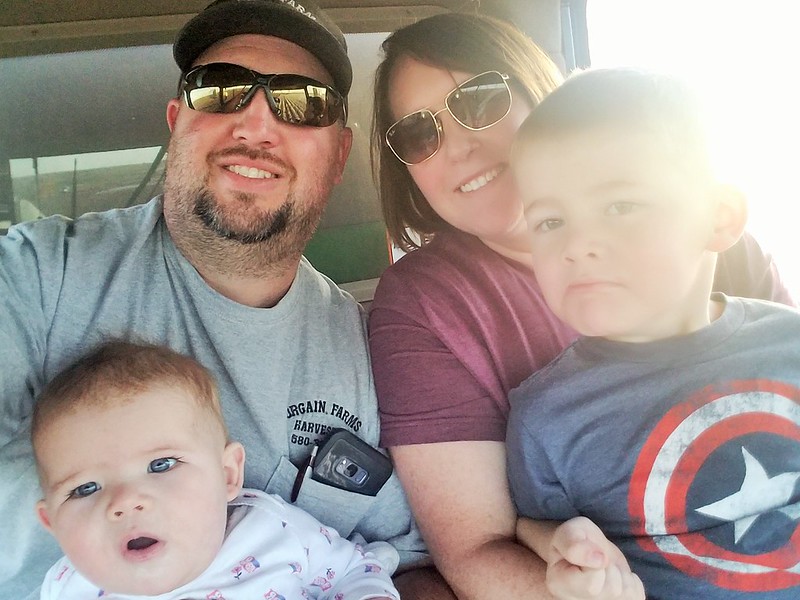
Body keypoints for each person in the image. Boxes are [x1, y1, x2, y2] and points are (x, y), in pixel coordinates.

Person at [0, 1, 428, 598]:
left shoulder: (381, 350)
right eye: (220, 90)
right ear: (176, 120)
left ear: (339, 155)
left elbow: (416, 566)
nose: (255, 126)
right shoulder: (37, 277)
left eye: (303, 102)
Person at [367, 12, 795, 600]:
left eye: (480, 100)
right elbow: (482, 547)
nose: (459, 145)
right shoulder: (429, 311)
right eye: (419, 134)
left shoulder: (723, 255)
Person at [506, 67, 800, 599]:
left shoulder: (790, 344)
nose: (578, 244)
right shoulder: (546, 416)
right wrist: (562, 546)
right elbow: (529, 522)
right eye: (550, 221)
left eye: (621, 207)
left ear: (719, 217)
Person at [32, 341, 400, 599]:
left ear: (226, 475)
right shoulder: (66, 589)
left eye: (160, 465)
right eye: (85, 488)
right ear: (52, 523)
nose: (125, 502)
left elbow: (354, 572)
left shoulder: (272, 532)